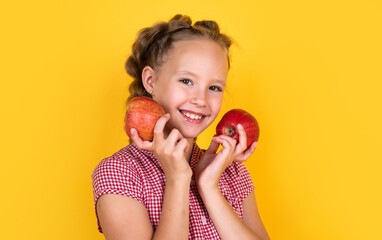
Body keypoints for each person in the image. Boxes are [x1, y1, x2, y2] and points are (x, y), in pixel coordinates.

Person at [91, 14, 270, 240]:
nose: (201, 99)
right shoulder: (120, 173)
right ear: (150, 81)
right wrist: (178, 180)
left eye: (214, 87)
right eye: (186, 81)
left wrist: (209, 187)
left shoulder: (232, 172)